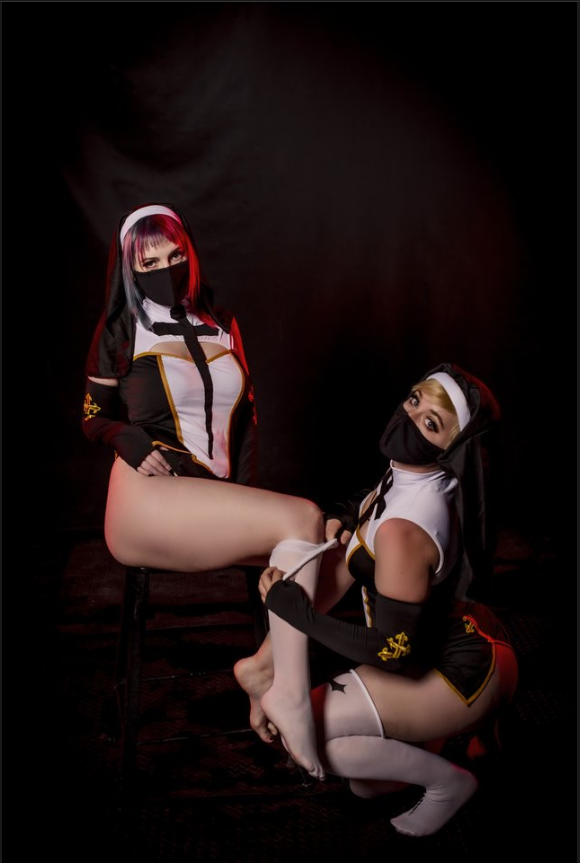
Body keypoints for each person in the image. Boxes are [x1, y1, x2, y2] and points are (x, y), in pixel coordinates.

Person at [82, 202, 335, 782]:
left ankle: (265, 671)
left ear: (190, 254)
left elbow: (246, 424)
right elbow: (93, 414)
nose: (165, 270)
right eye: (149, 263)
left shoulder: (222, 321)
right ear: (129, 268)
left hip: (211, 497)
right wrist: (124, 436)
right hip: (148, 494)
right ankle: (287, 694)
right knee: (306, 518)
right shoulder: (121, 329)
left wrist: (245, 501)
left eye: (175, 256)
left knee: (329, 548)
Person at [234, 363, 519, 837]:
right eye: (415, 400)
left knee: (309, 735)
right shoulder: (413, 475)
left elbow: (392, 651)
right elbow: (379, 502)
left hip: (462, 673)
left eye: (431, 423)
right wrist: (348, 514)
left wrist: (296, 613)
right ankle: (435, 738)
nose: (411, 418)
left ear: (451, 448)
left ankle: (450, 783)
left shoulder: (404, 533)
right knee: (367, 785)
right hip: (455, 640)